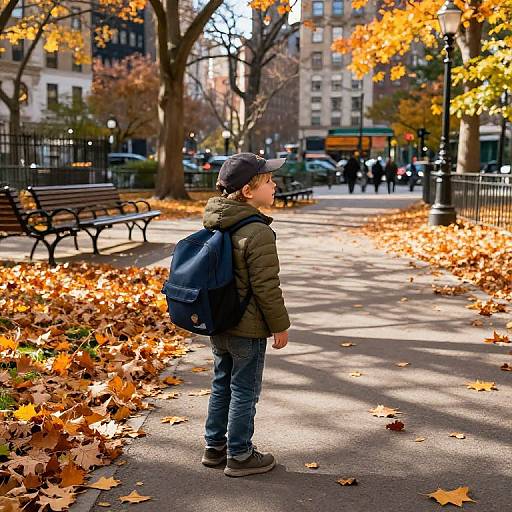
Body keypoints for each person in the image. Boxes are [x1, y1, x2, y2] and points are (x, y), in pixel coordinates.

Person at [201, 153, 290, 477]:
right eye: (268, 181)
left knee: (221, 383)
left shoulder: (216, 220)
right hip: (248, 329)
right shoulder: (258, 232)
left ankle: (215, 448)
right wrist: (280, 326)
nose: (275, 184)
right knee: (244, 391)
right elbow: (267, 287)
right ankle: (240, 454)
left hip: (219, 322)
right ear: (249, 192)